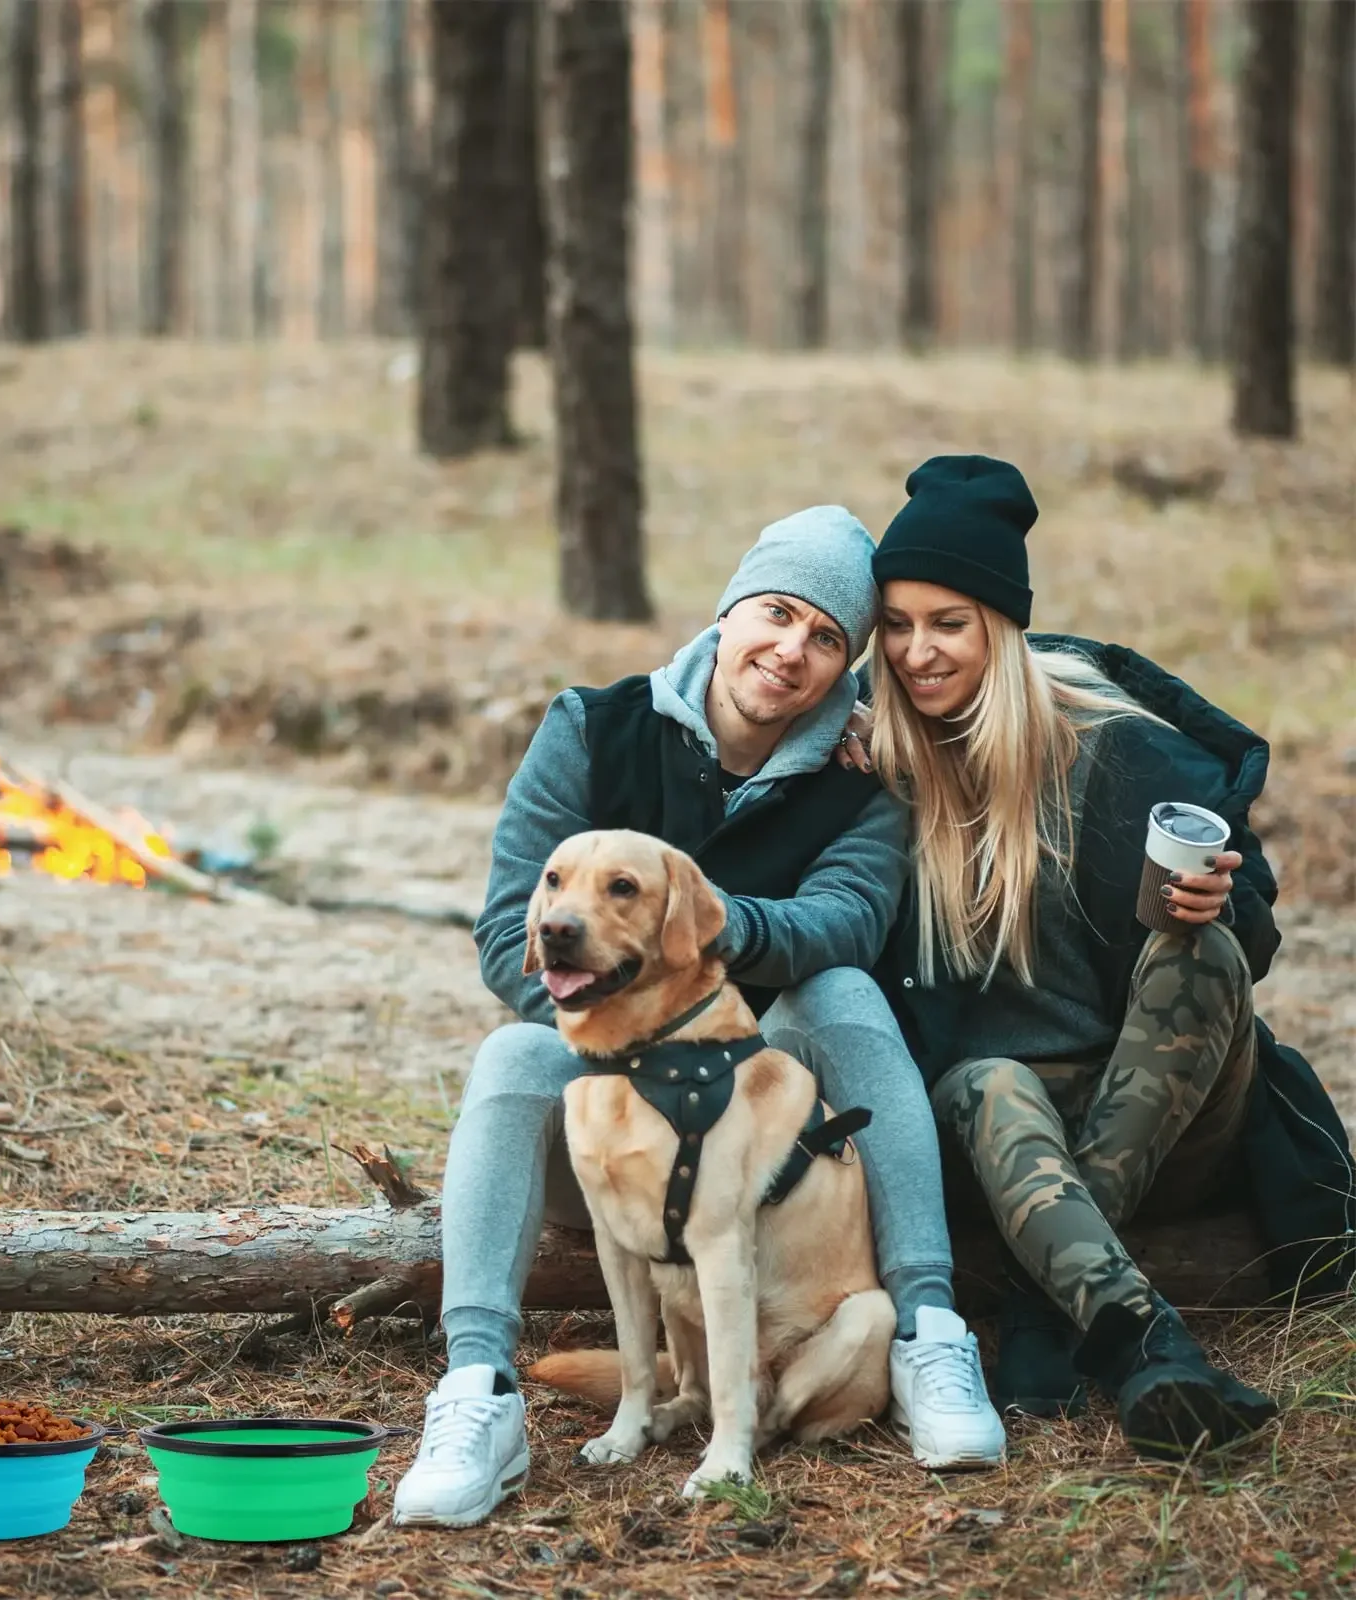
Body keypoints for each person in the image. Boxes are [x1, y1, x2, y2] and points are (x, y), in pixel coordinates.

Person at [392, 507, 1006, 1530]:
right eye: (775, 613)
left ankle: (927, 1334)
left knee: (844, 991)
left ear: (848, 668)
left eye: (826, 639)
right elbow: (513, 935)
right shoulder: (593, 725)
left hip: (769, 1158)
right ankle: (476, 1391)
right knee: (511, 1052)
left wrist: (687, 919)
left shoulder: (865, 781)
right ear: (728, 611)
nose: (789, 650)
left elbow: (844, 923)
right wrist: (637, 1001)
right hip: (611, 1144)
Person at [862, 454, 1354, 1459]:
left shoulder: (1110, 745)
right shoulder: (877, 769)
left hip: (1163, 1118)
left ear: (999, 624)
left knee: (1201, 952)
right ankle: (1143, 1344)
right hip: (1000, 1138)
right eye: (898, 624)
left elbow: (1248, 923)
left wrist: (1224, 900)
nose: (917, 651)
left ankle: (1051, 1308)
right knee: (990, 1077)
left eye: (946, 622)